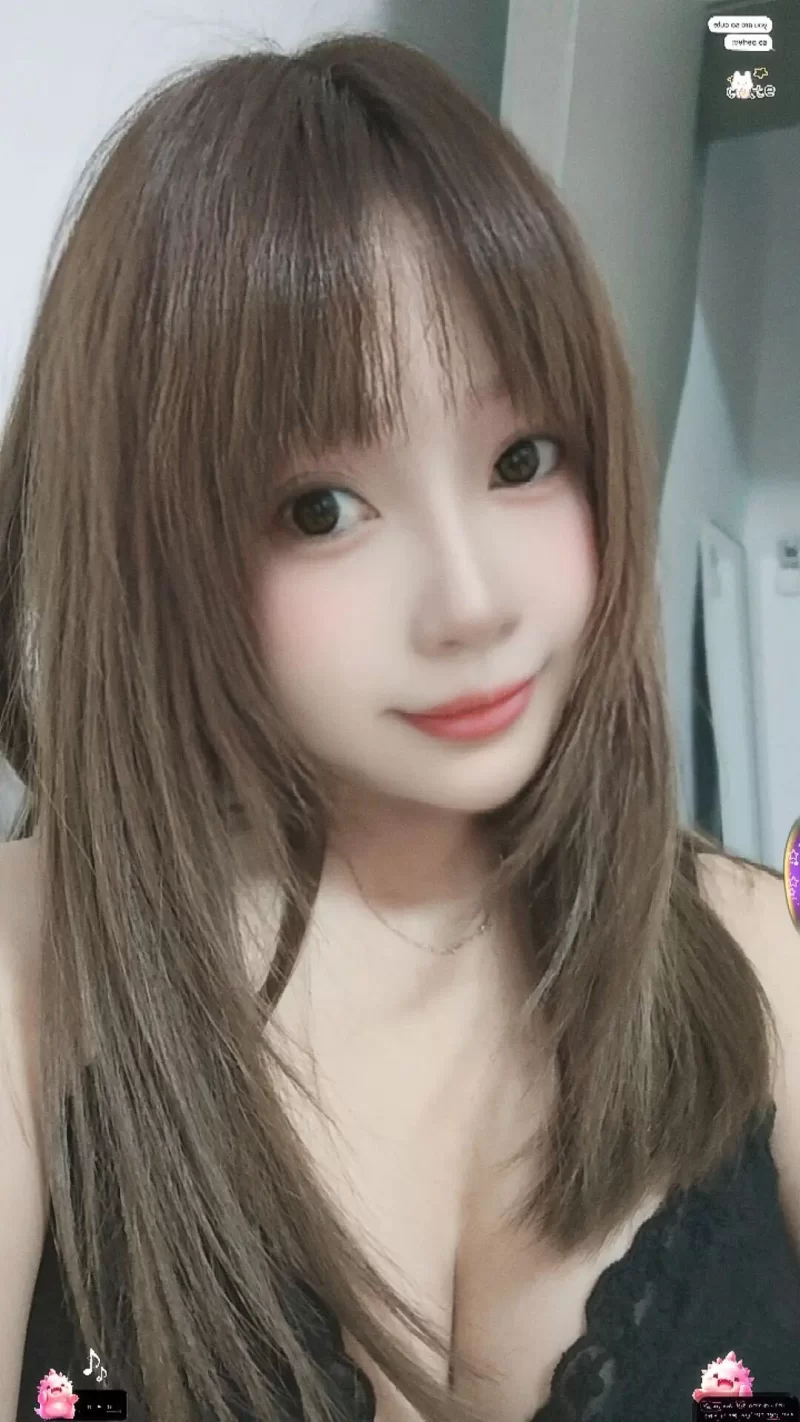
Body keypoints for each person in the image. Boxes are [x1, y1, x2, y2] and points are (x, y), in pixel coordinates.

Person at [0, 30, 798, 1422]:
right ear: (147, 545)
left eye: (522, 459)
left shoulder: (752, 942)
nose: (474, 601)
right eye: (322, 508)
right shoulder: (29, 973)